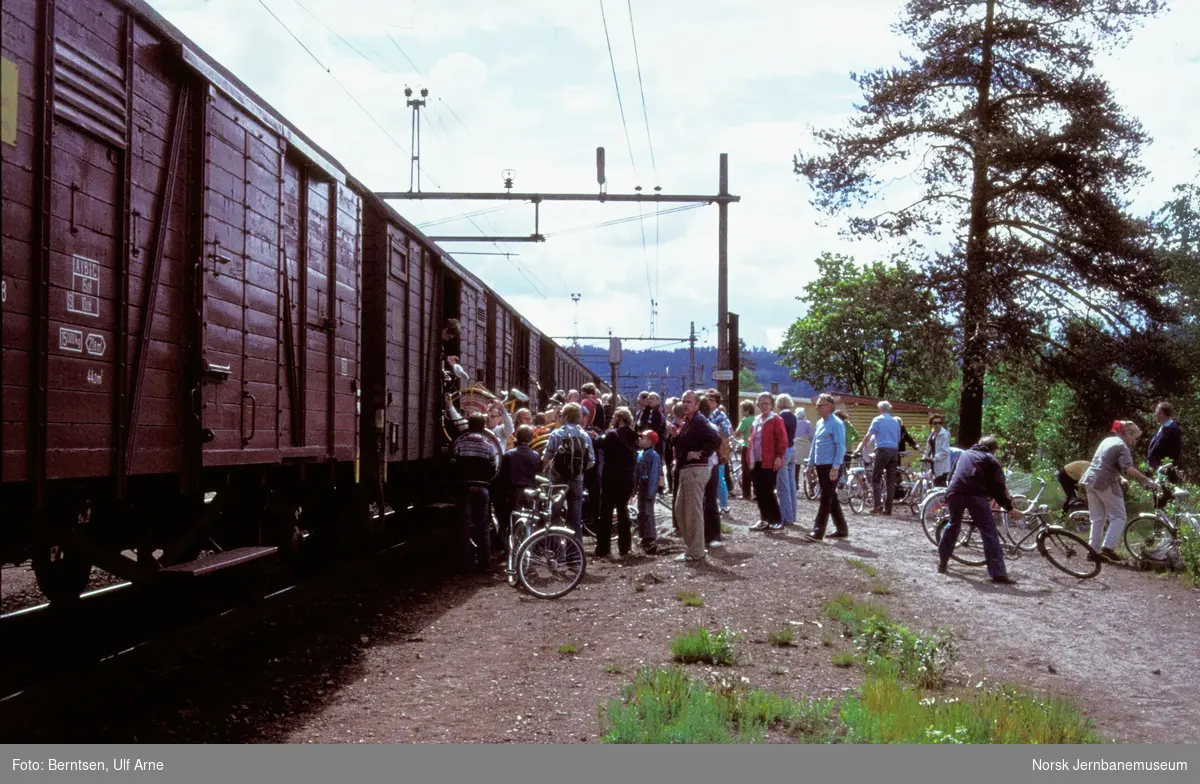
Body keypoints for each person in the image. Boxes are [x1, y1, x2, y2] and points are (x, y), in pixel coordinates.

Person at [936, 435, 1018, 583]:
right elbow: (998, 488)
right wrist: (1009, 507)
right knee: (989, 532)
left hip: (954, 492)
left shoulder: (965, 454)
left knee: (953, 524)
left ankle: (942, 563)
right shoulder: (991, 459)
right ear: (993, 449)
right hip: (975, 495)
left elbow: (953, 474)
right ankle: (998, 573)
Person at [1080, 420, 1160, 563]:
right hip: (1105, 482)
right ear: (1128, 433)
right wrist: (1146, 480)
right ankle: (1108, 548)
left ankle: (1093, 551)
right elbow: (1128, 468)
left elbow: (1105, 462)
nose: (1135, 442)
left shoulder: (1107, 440)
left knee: (1097, 518)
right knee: (1119, 516)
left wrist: (1119, 477)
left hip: (1090, 479)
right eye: (1135, 438)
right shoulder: (1122, 446)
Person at [670, 390, 721, 562]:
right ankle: (692, 548)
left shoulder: (699, 421)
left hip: (696, 470)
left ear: (697, 405)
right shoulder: (688, 422)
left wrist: (701, 453)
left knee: (692, 511)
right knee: (680, 510)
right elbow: (683, 445)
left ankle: (696, 551)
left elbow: (715, 438)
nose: (685, 404)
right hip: (687, 470)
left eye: (689, 402)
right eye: (684, 401)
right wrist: (676, 436)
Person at [450, 413, 500, 573]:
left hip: (465, 487)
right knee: (483, 525)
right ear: (483, 427)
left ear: (469, 426)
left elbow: (453, 465)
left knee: (464, 525)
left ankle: (465, 563)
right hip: (483, 488)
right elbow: (493, 468)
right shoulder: (489, 446)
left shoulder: (460, 444)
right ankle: (485, 563)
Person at [542, 402, 595, 544]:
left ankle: (555, 551)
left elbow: (546, 457)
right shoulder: (584, 435)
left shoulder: (557, 433)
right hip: (577, 480)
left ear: (564, 416)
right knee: (575, 517)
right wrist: (579, 470)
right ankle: (575, 556)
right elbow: (591, 461)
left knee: (555, 515)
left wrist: (550, 466)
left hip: (558, 480)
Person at [595, 408, 640, 558]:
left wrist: (603, 433)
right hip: (627, 478)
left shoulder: (612, 434)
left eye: (614, 416)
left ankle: (603, 549)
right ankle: (624, 547)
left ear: (619, 418)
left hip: (611, 477)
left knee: (606, 512)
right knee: (623, 510)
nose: (612, 419)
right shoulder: (634, 436)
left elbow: (598, 443)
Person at [492, 425, 542, 556]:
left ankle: (510, 549)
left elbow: (502, 477)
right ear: (531, 438)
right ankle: (529, 550)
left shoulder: (509, 454)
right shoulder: (536, 455)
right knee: (531, 522)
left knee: (513, 522)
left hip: (514, 492)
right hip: (530, 492)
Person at [806, 393, 848, 540]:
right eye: (817, 404)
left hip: (831, 465)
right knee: (831, 496)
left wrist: (835, 467)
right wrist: (810, 464)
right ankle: (842, 529)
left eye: (821, 404)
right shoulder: (819, 423)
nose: (817, 407)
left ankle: (818, 531)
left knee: (825, 498)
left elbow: (841, 446)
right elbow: (814, 446)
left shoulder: (836, 423)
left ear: (829, 407)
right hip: (820, 464)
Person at [748, 392, 788, 531]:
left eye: (767, 403)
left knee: (768, 491)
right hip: (757, 461)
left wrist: (779, 457)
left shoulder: (776, 419)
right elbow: (752, 440)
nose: (764, 406)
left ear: (771, 405)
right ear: (758, 405)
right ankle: (764, 519)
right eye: (761, 403)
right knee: (758, 492)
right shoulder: (756, 420)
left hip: (769, 461)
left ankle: (776, 520)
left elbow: (782, 440)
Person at [863, 401, 903, 515]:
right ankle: (888, 509)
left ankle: (877, 506)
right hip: (894, 451)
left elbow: (868, 436)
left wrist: (860, 446)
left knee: (876, 479)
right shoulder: (895, 421)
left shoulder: (877, 420)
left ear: (880, 409)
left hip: (882, 450)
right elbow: (898, 438)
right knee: (890, 481)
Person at [697, 394, 726, 548]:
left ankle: (713, 535)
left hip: (708, 465)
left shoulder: (708, 426)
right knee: (706, 501)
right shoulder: (698, 425)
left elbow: (715, 444)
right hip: (707, 465)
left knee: (709, 501)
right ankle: (706, 535)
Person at [706, 389, 734, 513]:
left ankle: (724, 506)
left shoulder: (721, 416)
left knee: (719, 478)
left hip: (718, 451)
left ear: (717, 402)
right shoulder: (703, 413)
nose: (708, 402)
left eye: (711, 400)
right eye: (707, 399)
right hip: (706, 450)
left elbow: (728, 433)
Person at [635, 431, 662, 554]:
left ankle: (650, 537)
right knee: (641, 511)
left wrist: (651, 491)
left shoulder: (654, 455)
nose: (640, 440)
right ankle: (644, 535)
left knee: (648, 511)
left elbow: (654, 474)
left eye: (643, 438)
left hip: (648, 486)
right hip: (641, 486)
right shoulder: (640, 454)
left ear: (650, 441)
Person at [775, 394, 799, 527]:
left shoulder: (780, 418)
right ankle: (793, 515)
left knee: (783, 486)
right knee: (791, 484)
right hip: (792, 450)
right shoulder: (794, 417)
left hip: (783, 452)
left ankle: (786, 517)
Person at [1148, 401, 1182, 473]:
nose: (1155, 414)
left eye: (1156, 412)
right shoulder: (1162, 427)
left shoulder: (1173, 429)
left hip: (1163, 471)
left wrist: (1164, 468)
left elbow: (1175, 453)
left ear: (1162, 413)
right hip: (1154, 469)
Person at [736, 399, 757, 501]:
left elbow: (738, 433)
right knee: (755, 470)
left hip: (746, 446)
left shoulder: (745, 421)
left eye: (743, 410)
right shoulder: (756, 420)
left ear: (748, 410)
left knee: (746, 470)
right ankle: (757, 493)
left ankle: (746, 494)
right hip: (755, 447)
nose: (741, 412)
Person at [925, 414, 952, 486]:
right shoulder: (932, 434)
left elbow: (945, 452)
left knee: (940, 487)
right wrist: (926, 456)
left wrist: (934, 458)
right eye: (935, 423)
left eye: (939, 423)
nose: (937, 425)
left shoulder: (944, 434)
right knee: (934, 485)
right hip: (933, 464)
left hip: (942, 465)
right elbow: (928, 448)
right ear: (931, 424)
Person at [794, 408, 815, 489]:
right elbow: (811, 436)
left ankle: (795, 484)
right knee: (809, 465)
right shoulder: (807, 423)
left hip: (796, 447)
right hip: (806, 447)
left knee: (796, 467)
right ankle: (811, 485)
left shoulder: (794, 423)